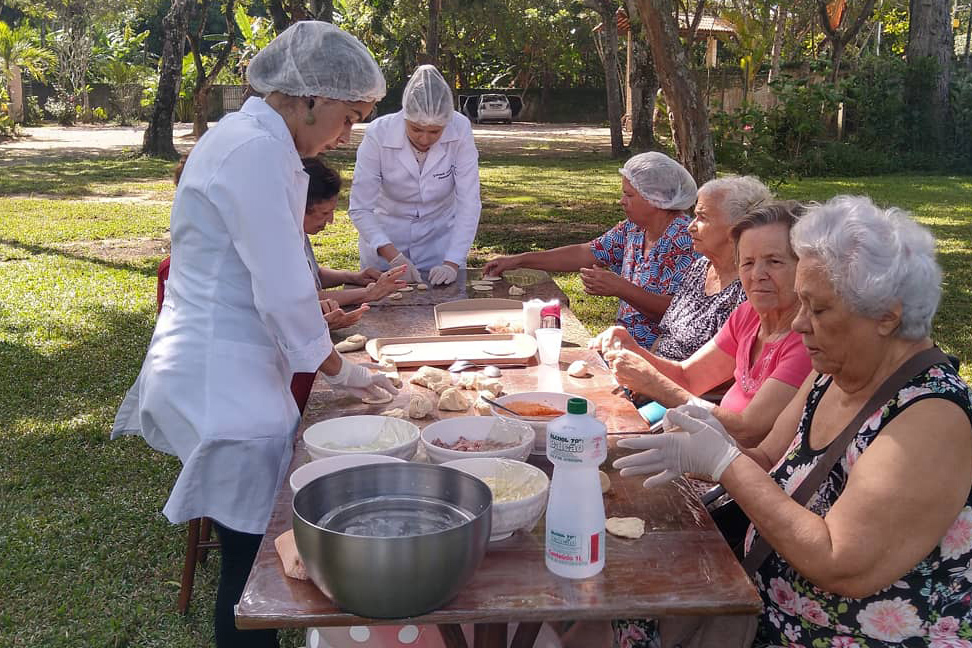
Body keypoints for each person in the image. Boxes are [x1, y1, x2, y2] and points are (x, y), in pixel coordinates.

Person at [111, 22, 395, 648]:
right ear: (309, 96)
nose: (346, 136)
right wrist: (345, 374)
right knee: (250, 572)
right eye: (347, 118)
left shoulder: (258, 144)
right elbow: (282, 289)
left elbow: (285, 270)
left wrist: (332, 354)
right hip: (224, 376)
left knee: (251, 553)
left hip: (233, 361)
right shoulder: (255, 151)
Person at [613, 195, 972, 648]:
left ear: (888, 316)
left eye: (818, 309)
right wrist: (694, 451)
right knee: (616, 593)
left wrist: (723, 461)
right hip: (759, 596)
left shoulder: (932, 417)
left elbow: (839, 563)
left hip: (835, 632)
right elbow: (764, 457)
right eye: (802, 303)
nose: (800, 324)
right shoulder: (831, 373)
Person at [602, 201, 812, 447]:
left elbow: (748, 430)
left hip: (740, 468)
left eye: (774, 261)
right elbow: (688, 377)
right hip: (713, 452)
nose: (757, 274)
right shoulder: (748, 315)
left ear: (806, 267)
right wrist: (634, 351)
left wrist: (653, 384)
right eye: (747, 262)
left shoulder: (807, 339)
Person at [483, 152, 699, 349]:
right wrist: (518, 261)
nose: (621, 201)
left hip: (662, 357)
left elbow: (676, 310)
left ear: (656, 198)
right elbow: (583, 254)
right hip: (625, 348)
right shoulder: (632, 229)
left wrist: (622, 288)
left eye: (629, 195)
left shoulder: (685, 240)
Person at [589, 175, 767, 361]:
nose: (691, 226)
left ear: (736, 229)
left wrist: (642, 365)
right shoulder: (700, 268)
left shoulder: (750, 288)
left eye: (702, 218)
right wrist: (637, 358)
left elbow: (725, 374)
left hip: (687, 387)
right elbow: (665, 335)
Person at [349, 64, 481, 286]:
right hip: (386, 241)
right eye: (417, 129)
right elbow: (360, 208)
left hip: (438, 244)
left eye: (435, 132)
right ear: (405, 117)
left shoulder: (460, 129)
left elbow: (469, 202)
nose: (425, 139)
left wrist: (452, 262)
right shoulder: (378, 134)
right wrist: (394, 256)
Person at [300, 158, 406, 325]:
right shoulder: (279, 244)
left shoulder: (299, 232)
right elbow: (304, 298)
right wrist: (368, 294)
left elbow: (315, 275)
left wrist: (352, 277)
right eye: (324, 213)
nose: (331, 221)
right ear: (299, 208)